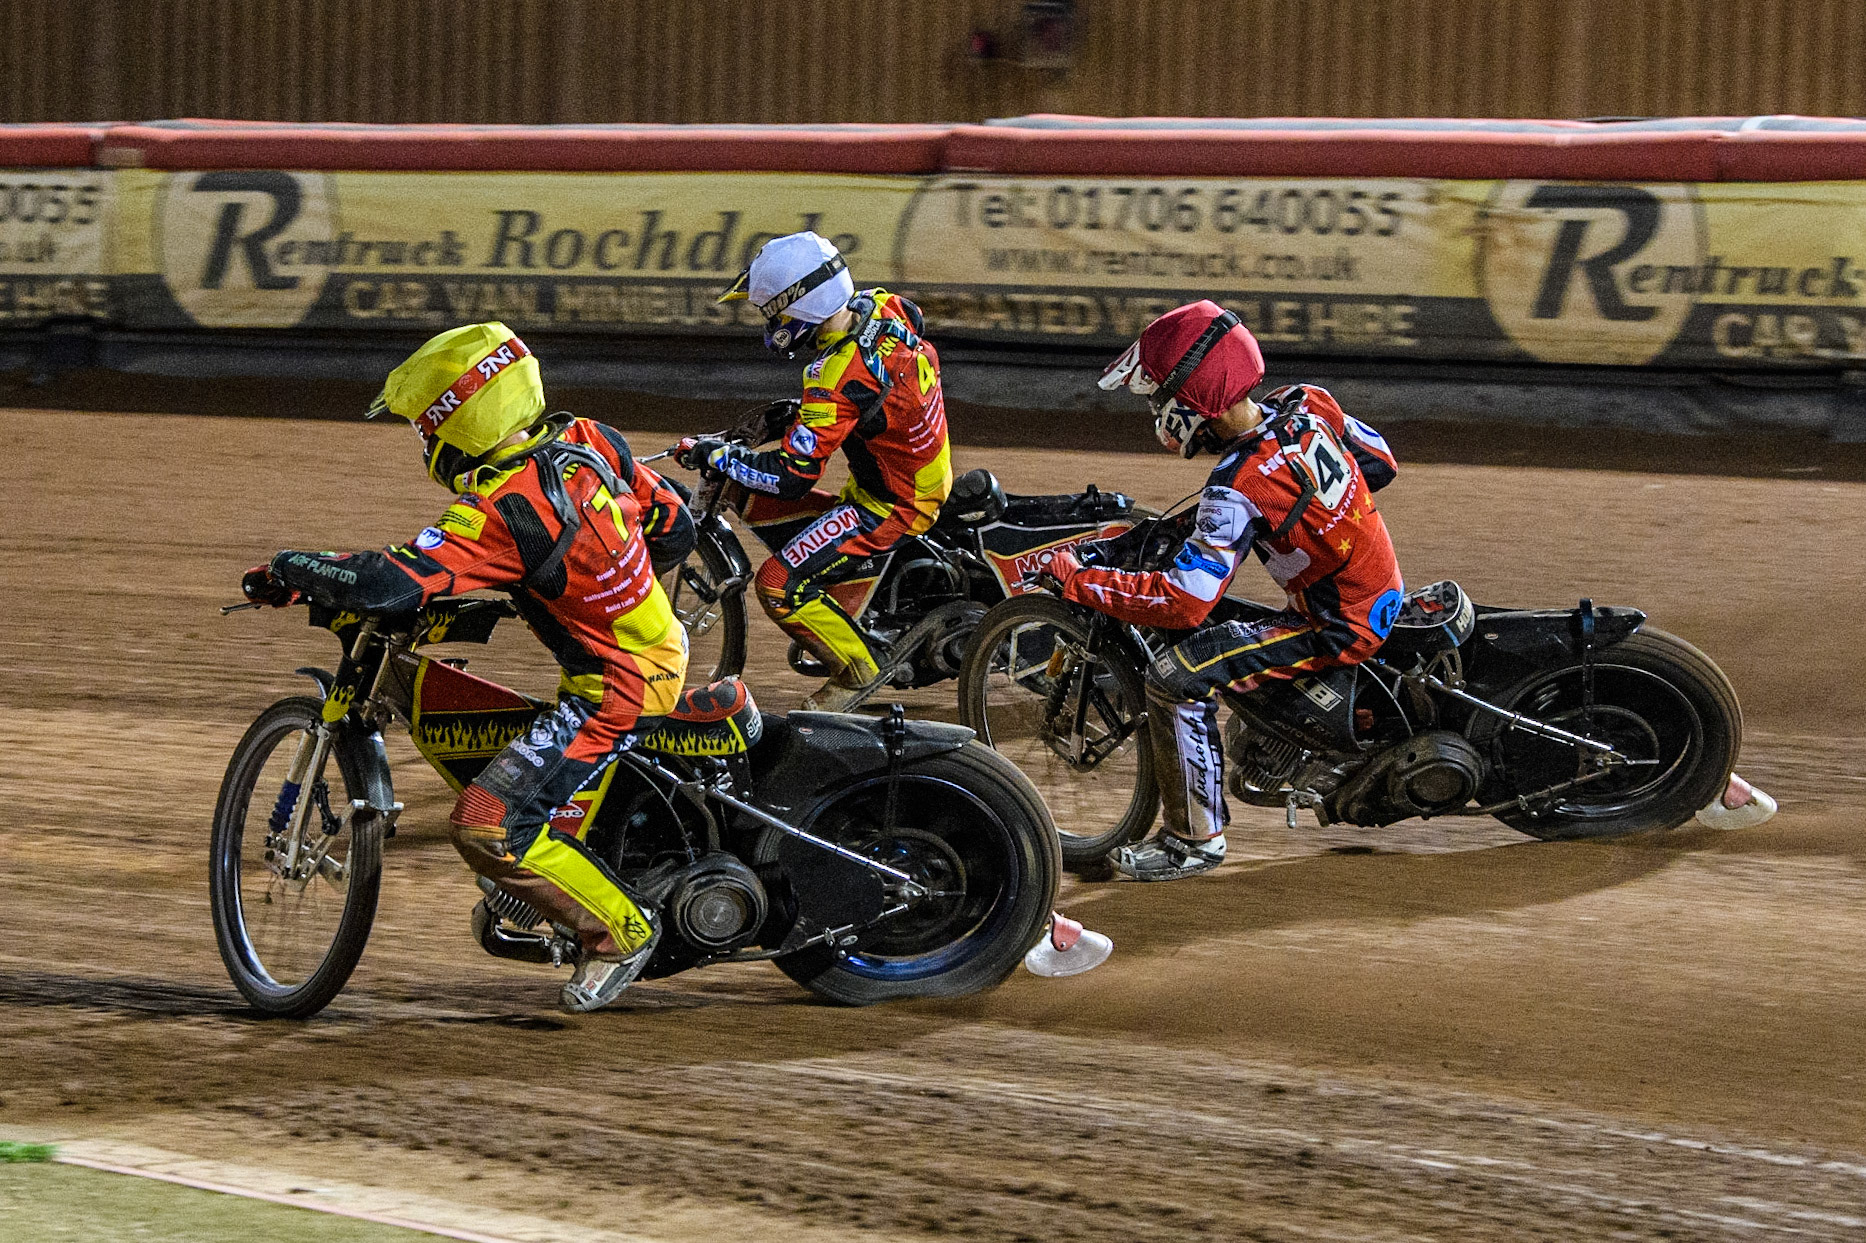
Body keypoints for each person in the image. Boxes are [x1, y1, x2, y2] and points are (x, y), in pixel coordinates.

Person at [240, 321, 696, 1010]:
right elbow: (673, 527)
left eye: (425, 426)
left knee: (484, 825)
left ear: (459, 420)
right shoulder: (588, 438)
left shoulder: (501, 509)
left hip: (614, 688)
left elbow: (389, 583)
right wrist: (595, 583)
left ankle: (621, 932)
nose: (424, 441)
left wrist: (291, 566)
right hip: (653, 646)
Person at [1047, 300, 1405, 881]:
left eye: (1160, 396)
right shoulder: (1307, 403)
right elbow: (1381, 463)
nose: (1157, 409)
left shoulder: (1235, 485)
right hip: (1378, 589)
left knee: (1174, 679)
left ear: (1193, 397)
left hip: (1335, 624)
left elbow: (1186, 601)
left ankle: (1194, 841)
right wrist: (1315, 512)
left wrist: (1083, 582)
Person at [676, 230, 953, 711]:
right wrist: (799, 416)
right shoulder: (881, 307)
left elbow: (792, 477)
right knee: (752, 494)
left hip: (893, 506)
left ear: (800, 306)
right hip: (921, 473)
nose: (771, 323)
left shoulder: (834, 376)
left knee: (777, 584)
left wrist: (718, 456)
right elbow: (881, 380)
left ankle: (858, 671)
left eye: (773, 313)